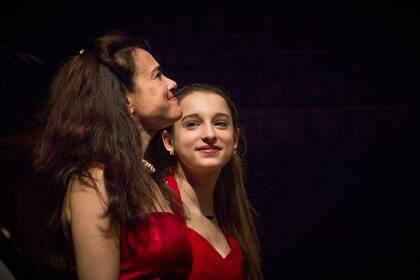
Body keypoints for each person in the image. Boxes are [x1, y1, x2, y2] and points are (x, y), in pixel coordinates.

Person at [33, 30, 193, 279]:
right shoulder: (94, 181)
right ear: (124, 99)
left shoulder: (148, 178)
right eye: (158, 75)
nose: (172, 83)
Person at [149, 83, 264, 279]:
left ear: (234, 139)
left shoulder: (231, 213)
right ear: (169, 141)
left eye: (220, 123)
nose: (210, 134)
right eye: (192, 124)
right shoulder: (153, 205)